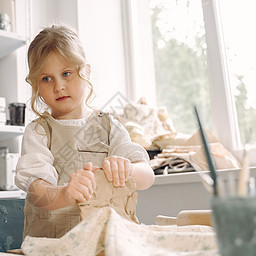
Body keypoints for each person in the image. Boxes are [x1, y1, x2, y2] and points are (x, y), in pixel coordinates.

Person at [15, 24, 154, 239]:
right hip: (52, 246)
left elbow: (147, 177)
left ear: (85, 71)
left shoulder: (109, 126)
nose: (58, 86)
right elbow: (38, 193)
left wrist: (126, 169)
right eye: (46, 79)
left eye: (66, 73)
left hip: (104, 242)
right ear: (35, 85)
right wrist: (65, 193)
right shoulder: (39, 132)